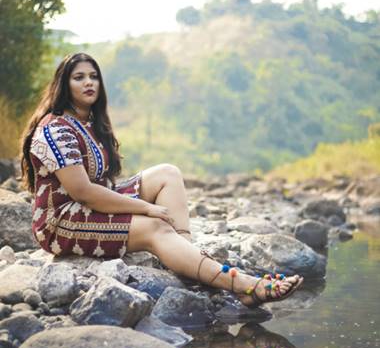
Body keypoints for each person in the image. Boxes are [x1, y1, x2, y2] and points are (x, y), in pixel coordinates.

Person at [20, 53, 303, 307]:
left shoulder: (91, 123)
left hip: (95, 203)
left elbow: (101, 186)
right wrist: (146, 209)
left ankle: (188, 256)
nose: (88, 82)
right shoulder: (55, 128)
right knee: (156, 226)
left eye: (94, 76)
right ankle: (245, 285)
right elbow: (83, 192)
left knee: (168, 172)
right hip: (62, 221)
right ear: (63, 85)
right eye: (78, 77)